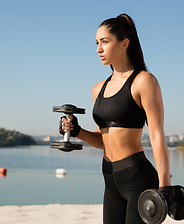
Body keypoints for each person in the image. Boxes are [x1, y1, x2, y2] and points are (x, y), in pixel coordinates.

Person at [60, 13, 171, 224]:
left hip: (137, 177)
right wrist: (77, 131)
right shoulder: (98, 89)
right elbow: (104, 141)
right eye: (96, 43)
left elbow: (157, 137)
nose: (98, 49)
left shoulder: (143, 81)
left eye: (105, 42)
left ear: (124, 44)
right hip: (110, 178)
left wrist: (165, 185)